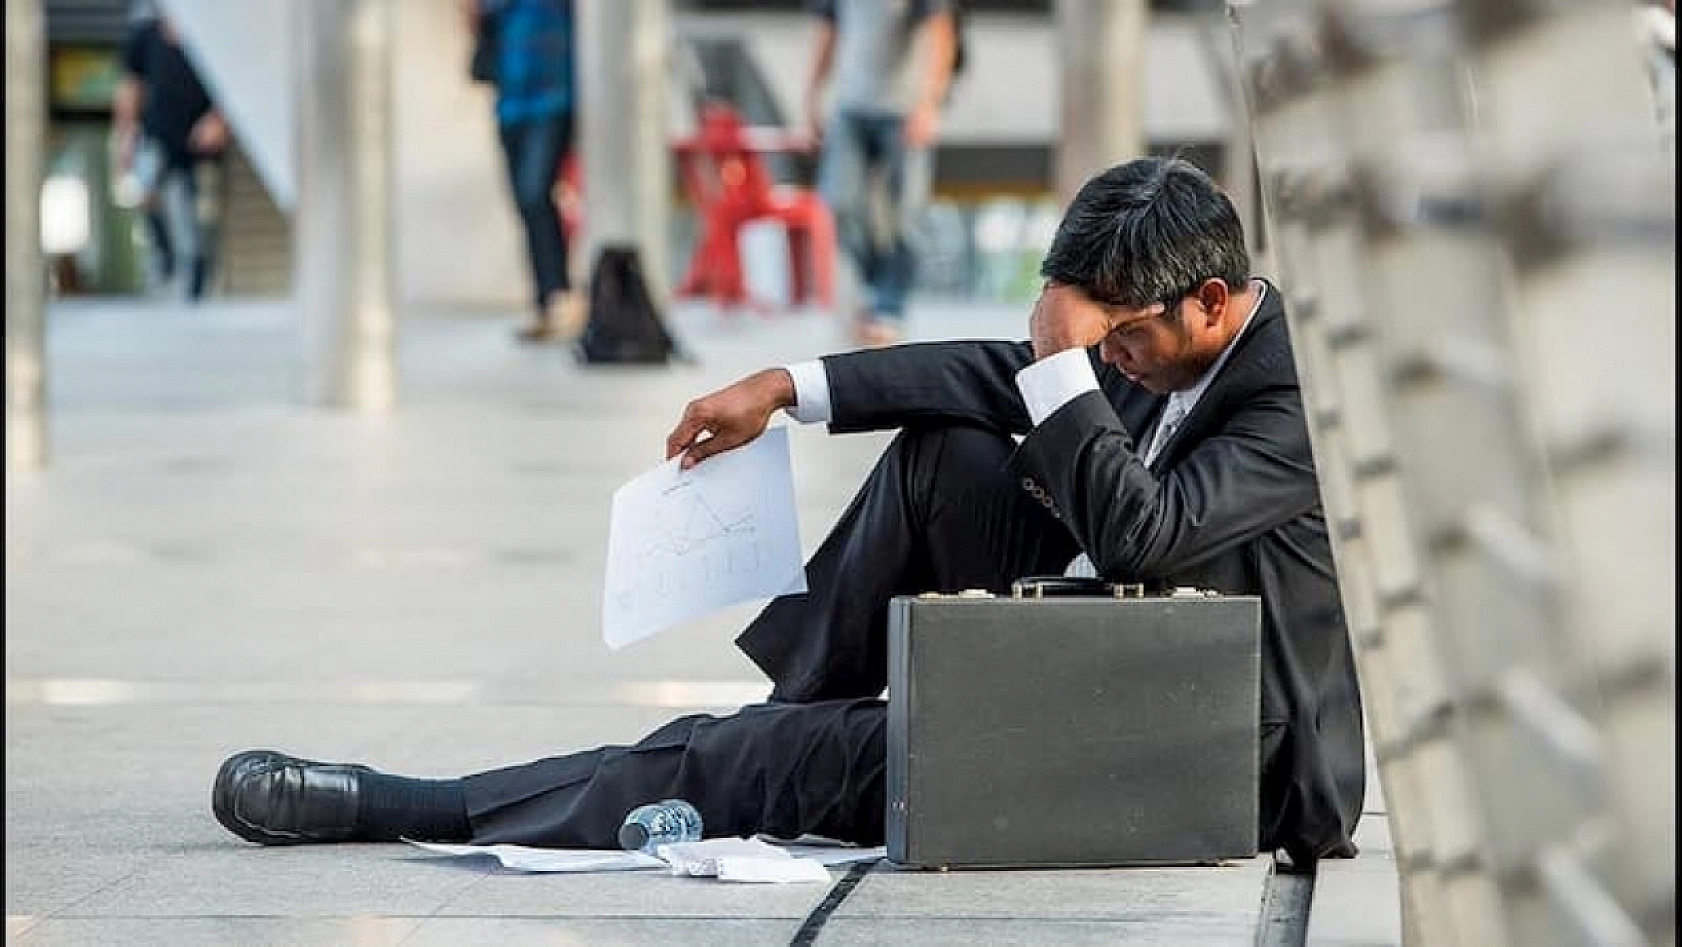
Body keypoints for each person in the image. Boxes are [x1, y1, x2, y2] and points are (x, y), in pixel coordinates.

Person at [210, 157, 1366, 868]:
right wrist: (787, 388)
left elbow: (1140, 535)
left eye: (1119, 342)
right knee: (946, 451)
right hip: (1137, 655)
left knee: (747, 761)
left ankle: (419, 806)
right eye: (1093, 341)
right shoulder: (1174, 342)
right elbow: (987, 375)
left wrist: (1066, 362)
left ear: (1211, 301)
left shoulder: (1297, 393)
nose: (1106, 361)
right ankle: (799, 715)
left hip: (1212, 757)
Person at [804, 0, 959, 347]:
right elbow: (828, 34)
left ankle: (889, 307)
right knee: (840, 203)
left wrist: (930, 105)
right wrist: (812, 97)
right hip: (850, 108)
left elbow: (941, 35)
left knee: (905, 217)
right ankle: (874, 287)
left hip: (903, 109)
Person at [464, 0, 580, 343]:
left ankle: (559, 294)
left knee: (535, 194)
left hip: (553, 101)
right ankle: (545, 300)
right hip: (511, 105)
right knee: (525, 204)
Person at [113, 8, 229, 302]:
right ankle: (165, 261)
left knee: (203, 213)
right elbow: (130, 88)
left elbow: (237, 80)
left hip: (200, 138)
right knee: (146, 194)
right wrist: (126, 138)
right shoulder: (145, 34)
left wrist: (219, 119)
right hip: (156, 136)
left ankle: (199, 282)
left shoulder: (213, 32)